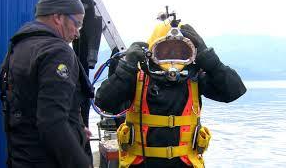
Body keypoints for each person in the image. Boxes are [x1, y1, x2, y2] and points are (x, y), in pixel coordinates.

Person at [95, 15, 246, 167]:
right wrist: (127, 67)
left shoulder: (194, 78)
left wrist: (209, 58)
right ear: (152, 51)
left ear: (191, 52)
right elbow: (104, 101)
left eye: (180, 51)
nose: (173, 58)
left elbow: (234, 91)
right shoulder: (137, 77)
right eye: (165, 51)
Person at [0, 0, 93, 167]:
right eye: (77, 24)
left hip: (21, 158)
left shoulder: (18, 47)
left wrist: (76, 131)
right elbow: (52, 121)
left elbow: (28, 106)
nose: (78, 33)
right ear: (58, 17)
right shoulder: (57, 51)